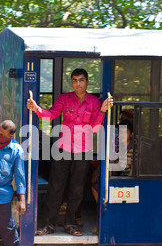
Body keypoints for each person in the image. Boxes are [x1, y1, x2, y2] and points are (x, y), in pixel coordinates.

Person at [27, 68, 113, 236]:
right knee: (55, 187)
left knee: (77, 189)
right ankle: (48, 225)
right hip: (63, 149)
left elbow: (95, 128)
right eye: (74, 80)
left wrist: (102, 110)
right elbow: (50, 115)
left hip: (83, 151)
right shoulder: (64, 99)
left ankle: (71, 224)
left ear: (87, 82)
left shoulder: (94, 102)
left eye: (81, 80)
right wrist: (37, 108)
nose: (77, 83)